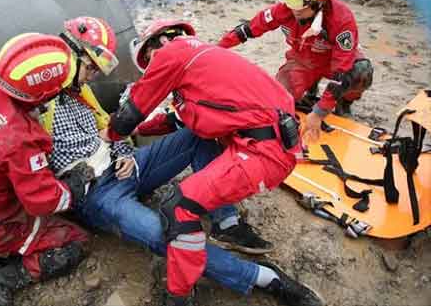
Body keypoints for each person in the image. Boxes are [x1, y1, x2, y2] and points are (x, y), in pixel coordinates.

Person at [44, 17, 325, 306]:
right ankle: (261, 277)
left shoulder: (84, 92)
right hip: (98, 192)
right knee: (167, 233)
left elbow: (118, 126)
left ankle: (226, 224)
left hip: (127, 166)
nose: (92, 76)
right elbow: (32, 172)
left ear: (161, 43)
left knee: (192, 154)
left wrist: (125, 150)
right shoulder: (38, 106)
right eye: (90, 67)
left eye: (94, 69)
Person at [0, 33, 99, 306]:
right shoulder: (17, 139)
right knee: (77, 240)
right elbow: (44, 200)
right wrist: (74, 186)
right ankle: (2, 282)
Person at [218, 0, 374, 143]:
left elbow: (341, 73)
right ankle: (309, 91)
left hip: (333, 64)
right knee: (276, 102)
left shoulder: (342, 20)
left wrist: (319, 112)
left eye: (299, 2)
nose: (292, 7)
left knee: (362, 72)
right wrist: (216, 48)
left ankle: (345, 103)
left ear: (319, 3)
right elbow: (249, 29)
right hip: (302, 62)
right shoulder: (284, 10)